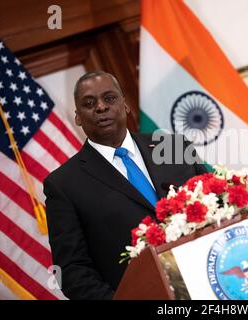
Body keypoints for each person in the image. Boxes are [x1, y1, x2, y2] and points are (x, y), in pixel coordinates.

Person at [43, 71, 207, 300]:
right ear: (78, 117)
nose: (101, 107)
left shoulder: (174, 147)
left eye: (109, 98)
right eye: (89, 103)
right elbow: (72, 271)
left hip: (207, 284)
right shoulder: (64, 184)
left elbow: (219, 204)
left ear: (125, 105)